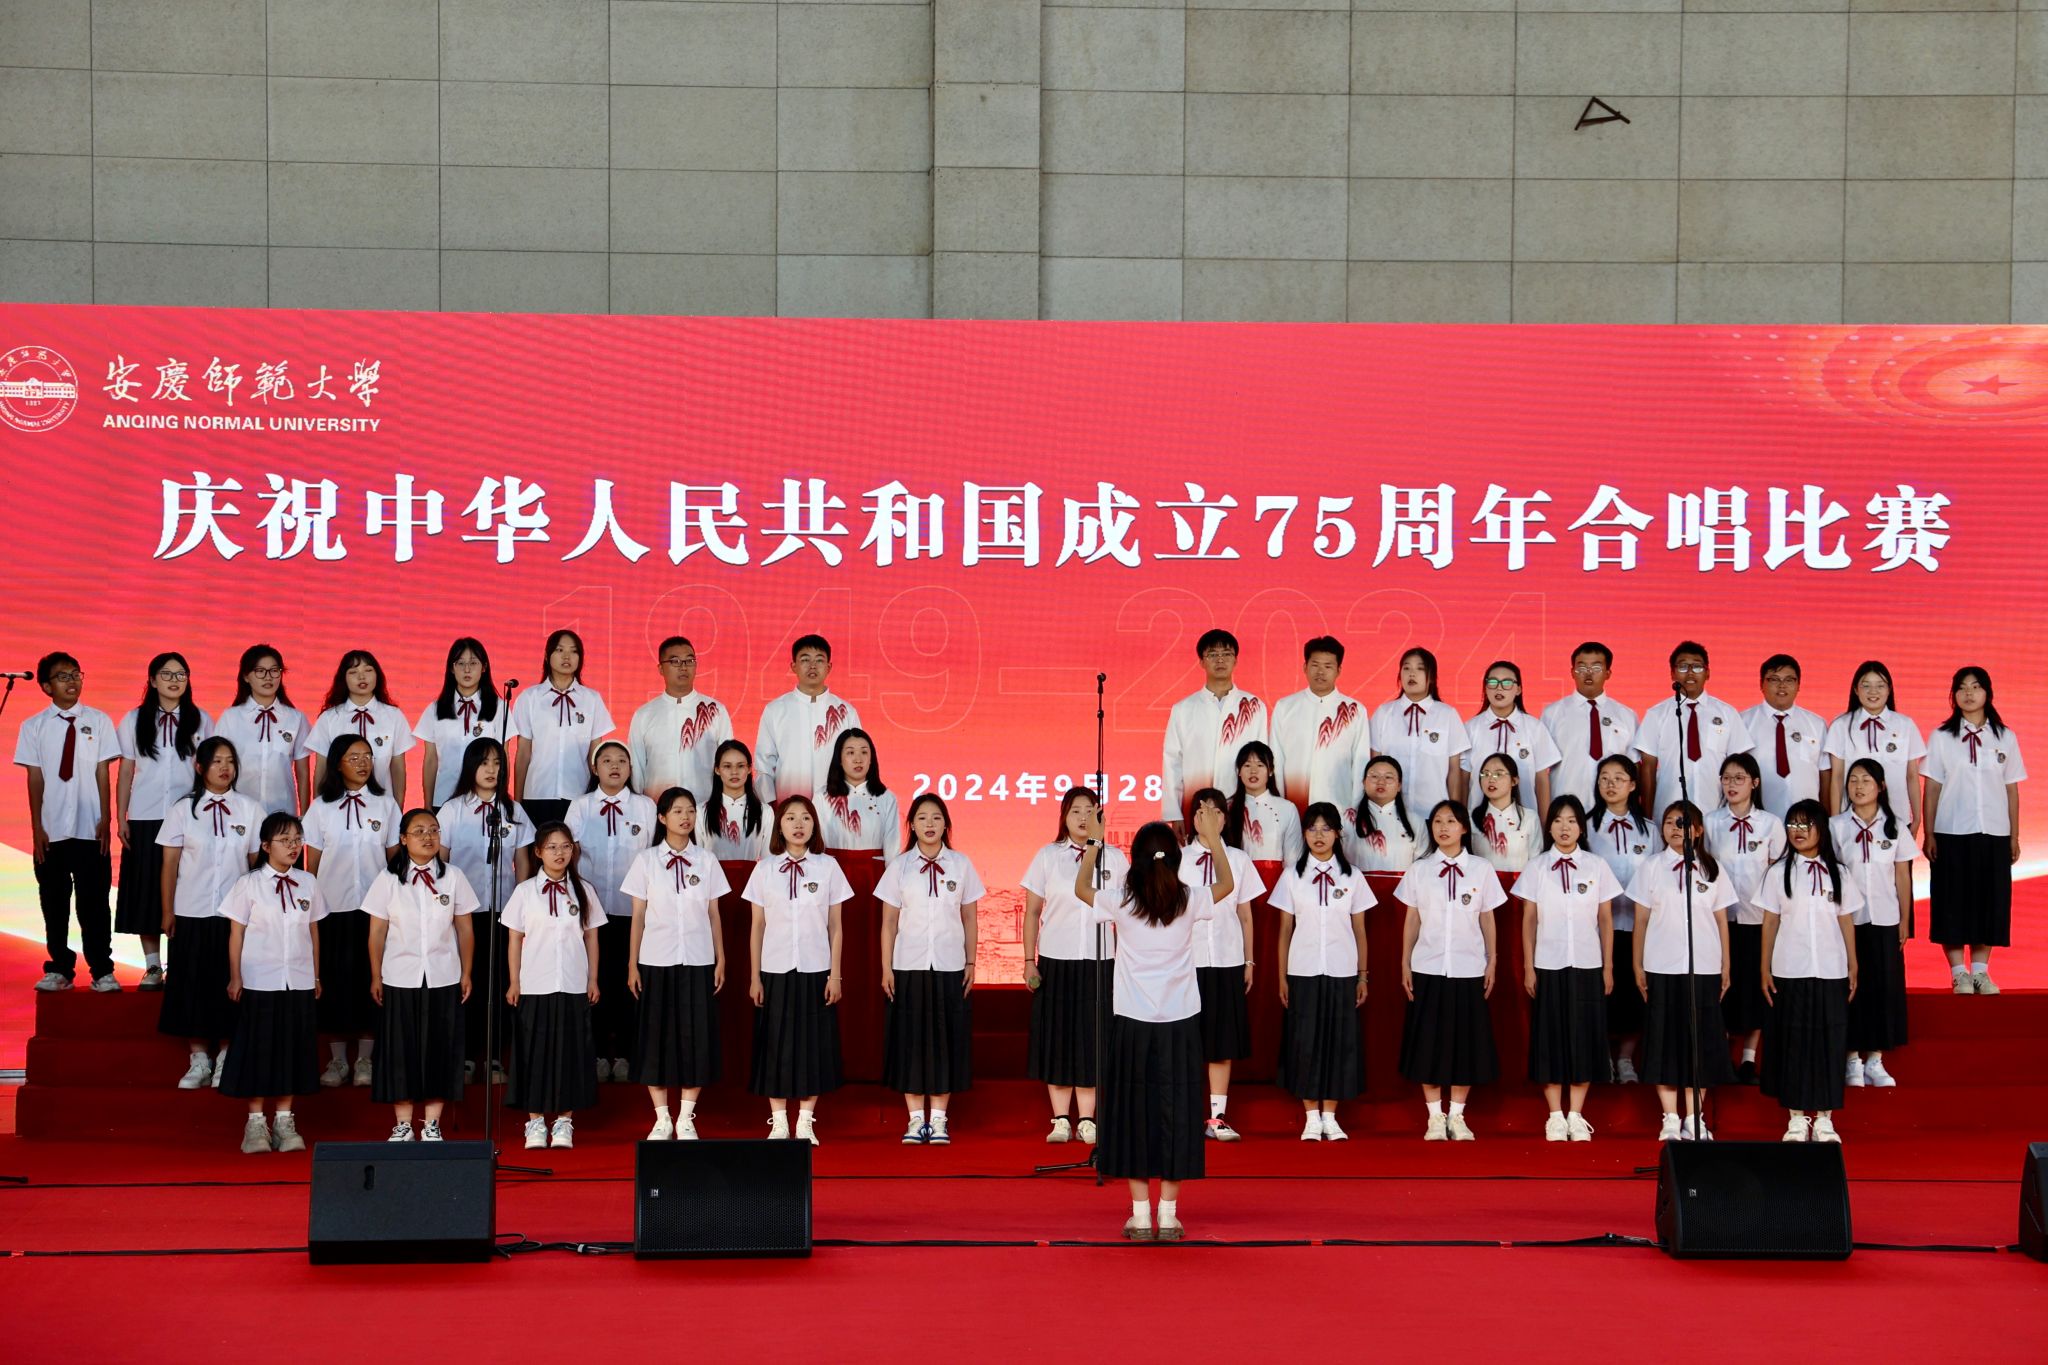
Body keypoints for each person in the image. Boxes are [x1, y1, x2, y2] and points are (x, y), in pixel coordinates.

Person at [1076, 810, 1233, 1242]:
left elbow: (1081, 888)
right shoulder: (1189, 898)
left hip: (1133, 1024)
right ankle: (1169, 1215)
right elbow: (1226, 884)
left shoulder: (1123, 901)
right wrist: (1213, 838)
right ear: (1176, 859)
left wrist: (1094, 843)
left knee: (1133, 1114)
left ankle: (1141, 1216)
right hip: (1180, 1024)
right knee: (1177, 1114)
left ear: (1136, 860)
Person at [1021, 786, 1128, 1143]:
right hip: (1057, 959)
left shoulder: (1115, 859)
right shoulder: (1048, 856)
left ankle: (1087, 1120)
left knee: (1092, 1038)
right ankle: (1061, 1119)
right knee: (1059, 1037)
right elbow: (1032, 912)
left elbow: (1127, 915)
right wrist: (1029, 960)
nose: (1083, 818)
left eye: (1089, 810)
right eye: (1075, 811)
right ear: (1064, 817)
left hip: (1101, 960)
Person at [364, 809, 477, 1141]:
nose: (428, 837)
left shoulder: (453, 876)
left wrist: (467, 972)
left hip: (444, 975)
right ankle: (403, 1124)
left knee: (440, 1048)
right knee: (401, 1049)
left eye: (434, 830)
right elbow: (376, 933)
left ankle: (431, 1124)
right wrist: (376, 975)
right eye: (419, 831)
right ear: (403, 839)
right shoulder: (388, 879)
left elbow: (465, 929)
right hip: (400, 975)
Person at [745, 796, 854, 1144]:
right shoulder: (764, 869)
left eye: (805, 818)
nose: (798, 824)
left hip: (815, 968)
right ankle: (778, 1121)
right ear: (779, 826)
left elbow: (836, 927)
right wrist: (755, 977)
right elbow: (757, 927)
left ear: (814, 825)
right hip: (774, 968)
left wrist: (835, 974)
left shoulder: (828, 867)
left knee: (812, 1045)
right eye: (790, 817)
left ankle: (806, 1121)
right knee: (774, 1044)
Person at [877, 794, 985, 1144]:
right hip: (908, 965)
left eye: (936, 817)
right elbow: (888, 922)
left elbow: (970, 917)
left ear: (946, 824)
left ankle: (938, 1119)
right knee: (911, 1041)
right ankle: (914, 1119)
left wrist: (971, 962)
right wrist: (886, 967)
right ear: (912, 825)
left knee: (945, 1040)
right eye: (922, 818)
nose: (929, 824)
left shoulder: (961, 864)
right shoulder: (900, 866)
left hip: (950, 965)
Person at [624, 787, 730, 1140]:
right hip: (656, 959)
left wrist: (720, 958)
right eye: (677, 811)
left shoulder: (707, 860)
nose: (685, 817)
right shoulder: (646, 861)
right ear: (662, 817)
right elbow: (638, 917)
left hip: (698, 959)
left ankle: (686, 1117)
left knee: (695, 1037)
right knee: (656, 1037)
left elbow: (714, 914)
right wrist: (632, 964)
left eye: (690, 811)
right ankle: (661, 1117)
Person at [219, 813, 327, 1155]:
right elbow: (236, 933)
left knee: (292, 1048)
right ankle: (255, 1123)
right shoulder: (249, 884)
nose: (293, 846)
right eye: (285, 840)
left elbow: (313, 931)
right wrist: (236, 976)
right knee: (259, 1049)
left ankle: (284, 1119)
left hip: (298, 979)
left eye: (297, 840)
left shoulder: (308, 882)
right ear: (266, 846)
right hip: (259, 979)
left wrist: (315, 975)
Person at [156, 737, 261, 1089]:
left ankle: (227, 1057)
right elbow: (169, 864)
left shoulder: (250, 809)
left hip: (234, 915)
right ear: (200, 767)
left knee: (230, 982)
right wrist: (168, 910)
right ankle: (199, 1058)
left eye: (230, 761)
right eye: (216, 761)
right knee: (192, 983)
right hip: (191, 910)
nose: (225, 767)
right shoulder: (183, 809)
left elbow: (255, 866)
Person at [1629, 801, 1736, 1142]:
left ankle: (1695, 1117)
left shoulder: (1711, 868)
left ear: (1699, 830)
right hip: (1661, 965)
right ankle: (1670, 1117)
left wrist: (1725, 964)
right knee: (1665, 1040)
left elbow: (1721, 920)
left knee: (1699, 1042)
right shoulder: (1651, 867)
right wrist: (1637, 964)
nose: (1676, 829)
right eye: (1670, 822)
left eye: (1684, 823)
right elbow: (1641, 920)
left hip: (1703, 966)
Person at [1514, 796, 1619, 1141]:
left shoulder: (1596, 866)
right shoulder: (1537, 867)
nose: (1564, 827)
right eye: (1558, 820)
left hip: (1587, 963)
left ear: (1581, 828)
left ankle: (1576, 1114)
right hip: (1548, 962)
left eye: (1572, 821)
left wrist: (1607, 967)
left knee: (1584, 1037)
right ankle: (1555, 1116)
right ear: (1549, 827)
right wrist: (1529, 966)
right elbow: (1529, 920)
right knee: (1550, 1038)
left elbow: (1606, 920)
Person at [1396, 801, 1503, 1140]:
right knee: (1428, 1041)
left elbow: (1487, 917)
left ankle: (1457, 1115)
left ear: (1464, 828)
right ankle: (1434, 1117)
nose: (1443, 827)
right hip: (1427, 965)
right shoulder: (1420, 869)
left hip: (1468, 966)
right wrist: (1405, 961)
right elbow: (1412, 918)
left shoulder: (1481, 869)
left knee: (1464, 1042)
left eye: (1451, 821)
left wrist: (1492, 959)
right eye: (1438, 821)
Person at [15, 651, 119, 993]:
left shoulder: (99, 721)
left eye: (76, 674)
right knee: (54, 903)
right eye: (63, 676)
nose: (72, 681)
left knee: (95, 904)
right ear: (46, 686)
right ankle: (60, 968)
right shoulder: (33, 726)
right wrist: (37, 828)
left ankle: (102, 970)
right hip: (52, 830)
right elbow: (35, 778)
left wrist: (106, 818)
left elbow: (103, 773)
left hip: (90, 829)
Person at [1759, 801, 1862, 1143]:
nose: (1797, 832)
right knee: (1795, 1041)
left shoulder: (1840, 872)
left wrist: (1852, 963)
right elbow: (1770, 921)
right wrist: (1765, 967)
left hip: (1831, 969)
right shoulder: (1778, 872)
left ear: (1821, 829)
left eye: (1805, 825)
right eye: (1792, 825)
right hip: (1791, 968)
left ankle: (1825, 1118)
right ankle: (1796, 1117)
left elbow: (1845, 920)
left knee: (1829, 1042)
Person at [303, 735, 402, 1088]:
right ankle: (338, 1060)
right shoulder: (320, 808)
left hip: (375, 912)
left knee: (370, 982)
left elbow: (395, 861)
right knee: (335, 983)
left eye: (367, 756)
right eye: (353, 757)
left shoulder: (386, 805)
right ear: (337, 763)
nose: (362, 763)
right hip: (333, 908)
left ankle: (365, 1059)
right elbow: (312, 864)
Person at [502, 824, 605, 1150]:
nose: (559, 853)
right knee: (534, 1052)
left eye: (565, 846)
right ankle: (535, 1121)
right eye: (552, 847)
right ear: (538, 852)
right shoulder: (525, 892)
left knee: (570, 1052)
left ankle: (563, 1121)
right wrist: (515, 981)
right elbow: (514, 939)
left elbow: (591, 938)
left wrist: (592, 979)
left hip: (572, 983)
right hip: (535, 983)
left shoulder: (584, 890)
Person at [1924, 666, 2025, 994]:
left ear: (1988, 693)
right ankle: (1959, 973)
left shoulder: (2005, 736)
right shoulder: (1941, 736)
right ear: (1953, 695)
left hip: (1994, 831)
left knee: (1989, 900)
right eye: (1962, 687)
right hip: (1951, 831)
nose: (1969, 693)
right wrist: (1929, 833)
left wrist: (2013, 835)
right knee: (1951, 901)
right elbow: (1933, 787)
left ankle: (1981, 972)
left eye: (1976, 687)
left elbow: (2011, 788)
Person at [435, 736, 530, 1085]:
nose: (491, 770)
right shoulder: (452, 810)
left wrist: (521, 910)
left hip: (503, 911)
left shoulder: (513, 811)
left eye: (498, 763)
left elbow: (522, 862)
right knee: (465, 983)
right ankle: (463, 1056)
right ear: (470, 767)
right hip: (462, 915)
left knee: (499, 984)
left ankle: (493, 1056)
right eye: (484, 762)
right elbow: (440, 863)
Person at [1272, 802, 1368, 1141]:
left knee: (1339, 1043)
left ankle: (1331, 1116)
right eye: (1312, 828)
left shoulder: (1352, 876)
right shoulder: (1292, 876)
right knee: (1306, 1042)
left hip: (1342, 970)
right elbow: (1285, 930)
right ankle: (1311, 1116)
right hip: (1303, 970)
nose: (1319, 835)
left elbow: (1360, 929)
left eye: (1326, 828)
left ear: (1338, 833)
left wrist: (1362, 975)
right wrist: (1282, 977)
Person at [116, 651, 211, 989]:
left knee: (185, 888)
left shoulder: (200, 719)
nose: (175, 680)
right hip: (146, 815)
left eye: (181, 674)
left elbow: (207, 769)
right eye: (167, 674)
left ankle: (180, 964)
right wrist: (121, 816)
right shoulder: (134, 719)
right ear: (153, 680)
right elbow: (126, 770)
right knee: (147, 888)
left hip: (188, 816)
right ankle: (153, 966)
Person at [566, 741, 654, 1081]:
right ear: (595, 768)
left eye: (621, 761)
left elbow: (653, 857)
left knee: (630, 983)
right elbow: (570, 855)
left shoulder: (645, 806)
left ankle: (628, 1056)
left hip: (634, 913)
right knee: (595, 982)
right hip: (593, 912)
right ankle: (599, 1054)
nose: (614, 766)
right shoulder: (581, 806)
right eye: (606, 760)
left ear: (631, 769)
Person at [1185, 787, 1264, 1141]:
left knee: (1221, 1042)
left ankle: (1216, 1117)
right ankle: (1185, 1113)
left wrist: (1249, 960)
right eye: (1201, 811)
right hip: (1187, 962)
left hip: (1228, 960)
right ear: (1193, 818)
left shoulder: (1238, 859)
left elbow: (1245, 914)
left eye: (1216, 811)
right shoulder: (1179, 858)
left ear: (1225, 818)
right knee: (1187, 1040)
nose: (1209, 817)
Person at [1833, 758, 1915, 1088]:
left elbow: (1902, 876)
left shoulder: (1895, 827)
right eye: (1853, 780)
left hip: (1884, 917)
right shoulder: (1837, 826)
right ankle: (1851, 1059)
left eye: (1866, 780)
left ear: (1880, 787)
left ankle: (1875, 1059)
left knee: (1883, 987)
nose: (1858, 786)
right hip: (1848, 921)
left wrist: (1905, 920)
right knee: (1851, 987)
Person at [1704, 753, 1785, 1084]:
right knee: (1722, 986)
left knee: (1755, 987)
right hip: (1719, 920)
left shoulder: (1771, 824)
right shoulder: (1711, 821)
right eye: (1726, 778)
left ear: (1755, 783)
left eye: (1739, 778)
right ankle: (1722, 1056)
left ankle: (1749, 1059)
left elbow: (1779, 871)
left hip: (1757, 919)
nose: (1732, 784)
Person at [1161, 628, 1269, 832]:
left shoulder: (1254, 706)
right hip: (1195, 804)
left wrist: (1260, 806)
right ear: (1201, 662)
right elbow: (1172, 762)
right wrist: (1174, 813)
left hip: (1241, 804)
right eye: (1212, 654)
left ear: (1235, 660)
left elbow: (1263, 761)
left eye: (1226, 654)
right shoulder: (1183, 708)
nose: (1220, 660)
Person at [1588, 755, 1654, 1084]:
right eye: (1604, 777)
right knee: (1602, 992)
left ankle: (1626, 1058)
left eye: (1618, 777)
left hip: (1640, 929)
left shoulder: (1651, 830)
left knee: (1634, 993)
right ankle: (1602, 1056)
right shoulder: (1586, 827)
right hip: (1599, 928)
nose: (1610, 784)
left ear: (1632, 785)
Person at [1634, 641, 1752, 819]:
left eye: (1697, 667)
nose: (1690, 672)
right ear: (1672, 673)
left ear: (1708, 673)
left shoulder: (1727, 713)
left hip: (1717, 812)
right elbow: (1648, 768)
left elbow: (1740, 766)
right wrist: (1648, 818)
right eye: (1683, 667)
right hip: (1668, 813)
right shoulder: (1656, 714)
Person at [510, 629, 614, 827]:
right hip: (537, 794)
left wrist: (597, 797)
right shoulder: (530, 698)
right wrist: (517, 803)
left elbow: (595, 756)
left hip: (578, 794)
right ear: (547, 656)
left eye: (573, 651)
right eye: (559, 650)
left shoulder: (591, 699)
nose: (567, 656)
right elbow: (523, 754)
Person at [754, 635, 861, 804]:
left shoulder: (846, 712)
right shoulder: (775, 710)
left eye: (819, 660)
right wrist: (770, 806)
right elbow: (764, 766)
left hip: (836, 807)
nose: (812, 666)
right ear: (793, 666)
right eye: (805, 660)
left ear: (829, 667)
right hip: (788, 807)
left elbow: (857, 762)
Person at [627, 636, 733, 805]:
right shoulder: (644, 715)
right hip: (657, 809)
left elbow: (729, 762)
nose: (683, 667)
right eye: (675, 661)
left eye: (689, 661)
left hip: (704, 809)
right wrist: (638, 808)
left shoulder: (715, 711)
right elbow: (637, 769)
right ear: (661, 669)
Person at [1270, 636, 1369, 815]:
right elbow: (1276, 759)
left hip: (1339, 806)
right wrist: (1279, 805)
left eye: (1328, 666)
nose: (1321, 672)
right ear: (1305, 667)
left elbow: (1360, 763)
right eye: (1315, 665)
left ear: (1339, 670)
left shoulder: (1355, 710)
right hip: (1294, 805)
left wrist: (1354, 809)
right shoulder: (1285, 706)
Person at [1824, 661, 1925, 829]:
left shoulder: (1905, 725)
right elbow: (1837, 777)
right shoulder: (1841, 725)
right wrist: (1835, 821)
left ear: (1889, 689)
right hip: (1852, 819)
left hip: (1897, 817)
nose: (1873, 691)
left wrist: (1916, 819)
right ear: (1856, 689)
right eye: (1866, 686)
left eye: (1880, 685)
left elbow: (1912, 776)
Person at [1369, 647, 1470, 816]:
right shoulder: (1384, 713)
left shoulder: (1447, 714)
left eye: (1420, 668)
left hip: (1435, 815)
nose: (1412, 674)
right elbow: (1374, 765)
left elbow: (1454, 771)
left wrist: (1454, 814)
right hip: (1390, 814)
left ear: (1432, 677)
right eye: (1406, 668)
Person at [302, 649, 412, 804]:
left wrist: (398, 809)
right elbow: (321, 768)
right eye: (353, 672)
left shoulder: (393, 716)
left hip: (382, 806)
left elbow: (398, 768)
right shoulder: (329, 718)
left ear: (378, 675)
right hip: (337, 806)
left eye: (368, 670)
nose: (362, 677)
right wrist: (318, 809)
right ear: (343, 679)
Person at [1540, 641, 1638, 812]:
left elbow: (1634, 767)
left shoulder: (1626, 715)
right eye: (1582, 667)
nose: (1588, 673)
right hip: (1565, 811)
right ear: (1572, 672)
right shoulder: (1552, 714)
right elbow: (1540, 769)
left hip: (1612, 811)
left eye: (1596, 668)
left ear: (1608, 673)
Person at [214, 644, 309, 817]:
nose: (268, 677)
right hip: (239, 813)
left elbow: (302, 772)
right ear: (246, 676)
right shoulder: (231, 717)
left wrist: (305, 815)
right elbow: (216, 766)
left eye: (274, 670)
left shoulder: (296, 718)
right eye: (260, 671)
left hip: (282, 813)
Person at [1465, 660, 1560, 816]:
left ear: (1518, 689)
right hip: (1479, 820)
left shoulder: (1535, 727)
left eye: (1507, 683)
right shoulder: (1470, 728)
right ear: (1485, 688)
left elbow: (1541, 781)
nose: (1499, 688)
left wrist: (1544, 823)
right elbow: (1463, 780)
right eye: (1493, 682)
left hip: (1525, 820)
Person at [413, 638, 500, 808]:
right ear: (452, 668)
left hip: (483, 801)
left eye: (473, 663)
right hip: (443, 798)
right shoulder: (435, 709)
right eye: (460, 663)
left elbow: (503, 759)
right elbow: (430, 761)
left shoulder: (499, 707)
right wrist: (428, 805)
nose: (467, 669)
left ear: (484, 667)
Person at [1742, 654, 1828, 819]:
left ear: (1798, 685)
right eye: (1774, 679)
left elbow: (1825, 776)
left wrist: (1825, 818)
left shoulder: (1817, 724)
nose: (1782, 685)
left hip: (1807, 820)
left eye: (1789, 680)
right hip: (1758, 820)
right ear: (1761, 684)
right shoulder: (1744, 722)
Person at [819, 727, 902, 855]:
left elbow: (892, 847)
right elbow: (817, 844)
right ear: (839, 759)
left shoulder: (886, 797)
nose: (858, 759)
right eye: (850, 752)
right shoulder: (822, 797)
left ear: (871, 758)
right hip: (832, 866)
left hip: (875, 867)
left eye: (864, 752)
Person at [1221, 741, 1303, 864]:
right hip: (1237, 875)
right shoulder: (1226, 808)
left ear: (1270, 771)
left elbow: (1293, 858)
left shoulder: (1287, 808)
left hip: (1278, 876)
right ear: (1239, 771)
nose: (1253, 771)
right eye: (1247, 765)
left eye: (1260, 765)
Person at [1345, 755, 1417, 873]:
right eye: (1374, 776)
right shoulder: (1347, 819)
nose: (1381, 782)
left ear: (1399, 785)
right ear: (1364, 782)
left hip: (1403, 885)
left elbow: (1421, 866)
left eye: (1388, 777)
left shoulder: (1415, 822)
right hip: (1356, 884)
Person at [1470, 752, 1540, 873]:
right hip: (1482, 883)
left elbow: (1535, 863)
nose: (1491, 779)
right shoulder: (1470, 817)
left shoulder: (1529, 817)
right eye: (1485, 774)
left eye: (1498, 774)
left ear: (1514, 781)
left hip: (1520, 883)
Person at [701, 739, 769, 861]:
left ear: (749, 769)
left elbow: (769, 861)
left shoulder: (765, 811)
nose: (734, 772)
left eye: (740, 766)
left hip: (753, 874)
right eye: (727, 766)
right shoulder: (701, 812)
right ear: (717, 769)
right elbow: (696, 858)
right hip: (710, 873)